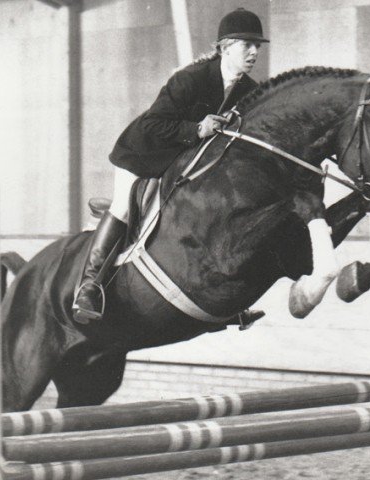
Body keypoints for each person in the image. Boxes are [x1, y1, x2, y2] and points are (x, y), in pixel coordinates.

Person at [73, 8, 269, 324]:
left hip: (181, 165)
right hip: (143, 155)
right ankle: (89, 286)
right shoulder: (190, 79)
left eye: (258, 46)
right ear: (225, 47)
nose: (255, 52)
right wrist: (196, 129)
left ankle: (226, 297)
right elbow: (152, 125)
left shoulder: (250, 92)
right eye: (247, 44)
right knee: (123, 207)